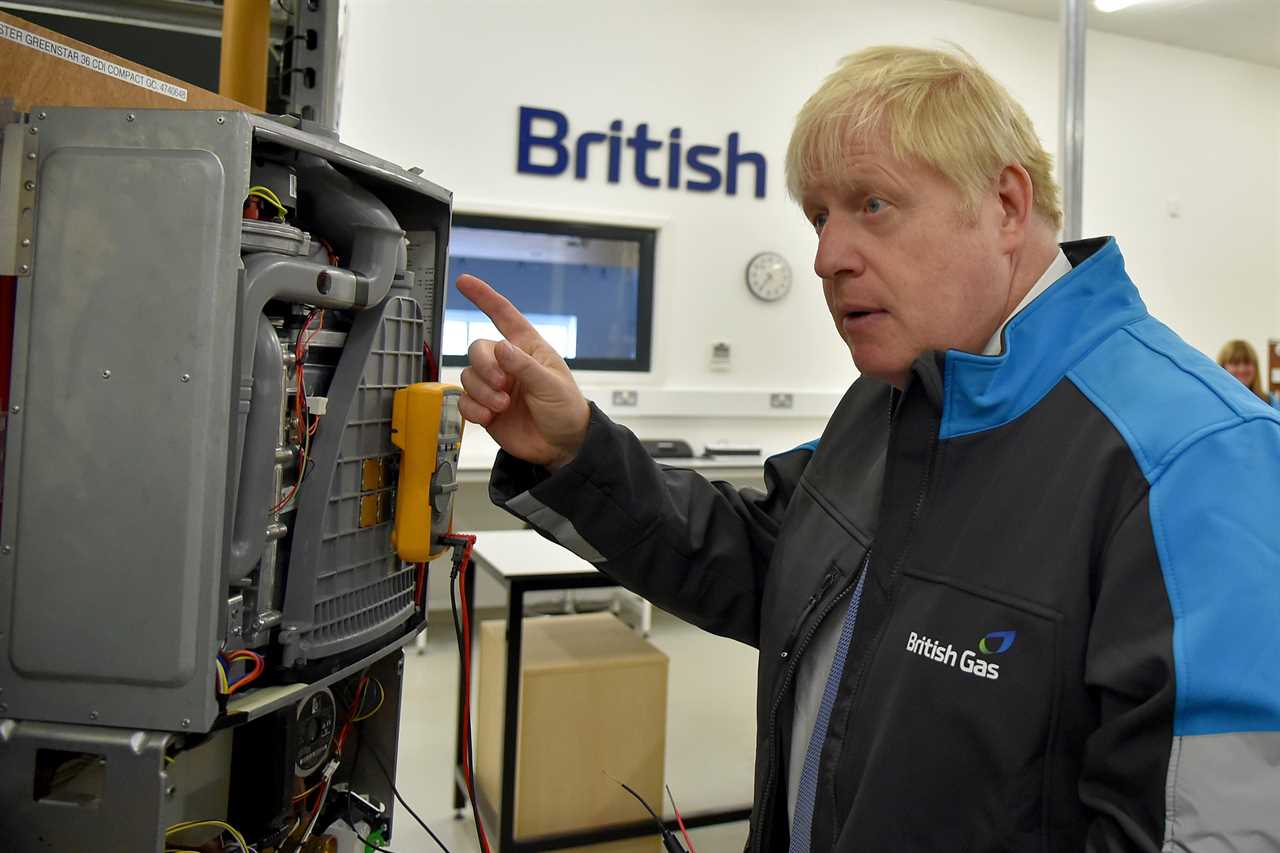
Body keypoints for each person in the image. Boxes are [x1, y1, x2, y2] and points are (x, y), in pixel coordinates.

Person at [456, 46, 1280, 852]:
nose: (826, 257)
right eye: (818, 215)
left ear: (1004, 205)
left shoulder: (1197, 459)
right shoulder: (892, 403)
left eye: (872, 205)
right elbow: (758, 565)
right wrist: (577, 449)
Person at [1217, 338, 1277, 407]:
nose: (1242, 369)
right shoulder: (1216, 401)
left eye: (1247, 362)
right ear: (1222, 367)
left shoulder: (1270, 402)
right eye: (1235, 363)